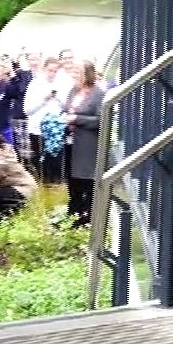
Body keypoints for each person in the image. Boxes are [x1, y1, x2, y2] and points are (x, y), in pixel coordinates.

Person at [62, 59, 106, 226]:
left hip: (87, 144)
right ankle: (73, 212)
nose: (74, 75)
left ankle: (87, 215)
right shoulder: (73, 90)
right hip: (70, 141)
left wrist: (77, 119)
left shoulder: (98, 94)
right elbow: (67, 109)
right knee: (71, 177)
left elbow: (101, 120)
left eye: (77, 72)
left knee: (86, 178)